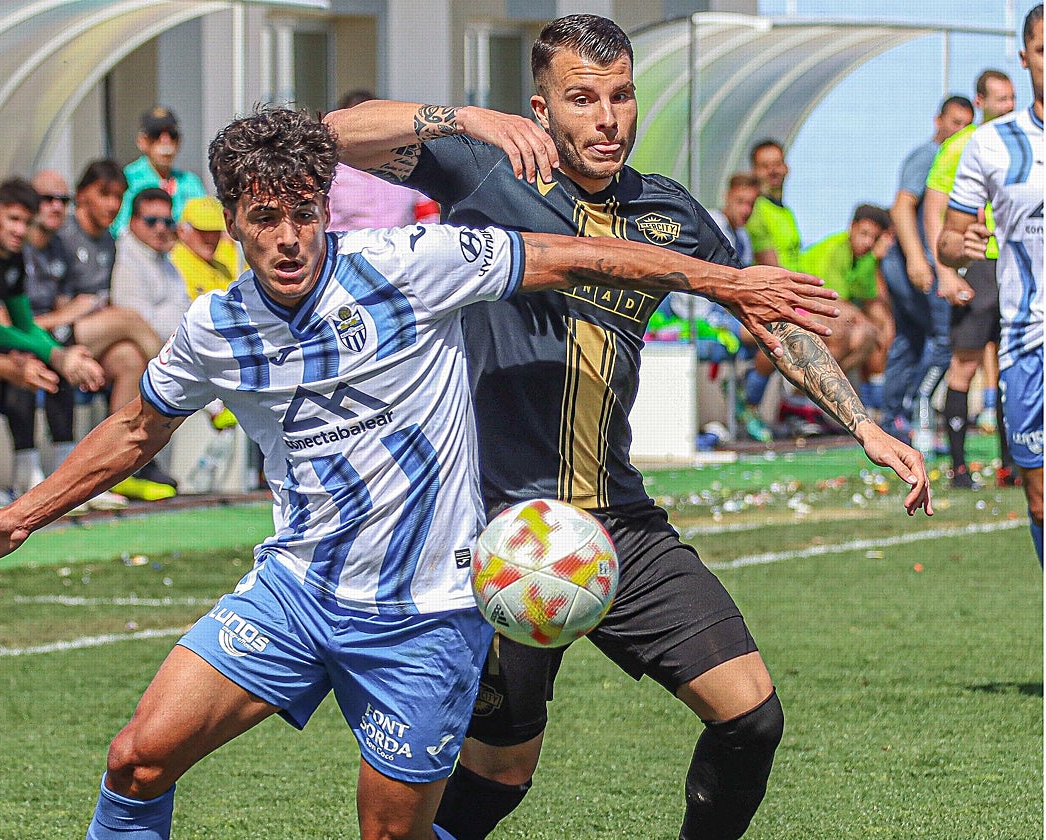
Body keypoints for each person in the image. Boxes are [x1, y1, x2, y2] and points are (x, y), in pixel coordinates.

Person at [0, 106, 846, 840]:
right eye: (264, 217)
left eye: (303, 212)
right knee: (136, 759)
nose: (288, 237)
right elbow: (134, 431)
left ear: (325, 206)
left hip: (424, 618)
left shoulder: (414, 264)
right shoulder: (216, 327)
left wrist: (725, 283)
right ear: (233, 222)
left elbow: (582, 255)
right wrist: (22, 516)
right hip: (294, 592)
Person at [325, 15, 932, 839]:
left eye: (620, 97)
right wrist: (460, 117)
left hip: (619, 525)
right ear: (541, 109)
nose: (607, 118)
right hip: (502, 532)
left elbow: (767, 317)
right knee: (503, 772)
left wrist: (863, 422)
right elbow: (329, 138)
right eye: (582, 99)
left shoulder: (666, 211)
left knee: (751, 716)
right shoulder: (486, 169)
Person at [939, 4, 1043, 560]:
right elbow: (948, 238)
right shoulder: (990, 144)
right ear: (1024, 57)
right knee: (1040, 499)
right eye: (1044, 50)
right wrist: (957, 250)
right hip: (1026, 337)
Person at [0, 178, 124, 510]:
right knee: (25, 365)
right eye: (12, 219)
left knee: (43, 362)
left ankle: (60, 473)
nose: (20, 230)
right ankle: (16, 475)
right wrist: (55, 354)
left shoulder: (11, 259)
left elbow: (22, 321)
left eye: (25, 221)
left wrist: (61, 355)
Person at [41, 160, 176, 500]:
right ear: (82, 194)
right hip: (54, 335)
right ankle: (185, 379)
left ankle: (116, 469)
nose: (112, 205)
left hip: (90, 334)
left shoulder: (108, 241)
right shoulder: (64, 235)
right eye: (104, 195)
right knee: (128, 319)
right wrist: (72, 309)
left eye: (118, 196)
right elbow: (50, 298)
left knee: (130, 359)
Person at [925, 69, 1019, 488]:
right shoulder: (961, 148)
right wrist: (945, 271)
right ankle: (959, 469)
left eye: (1011, 98)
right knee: (963, 366)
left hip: (1015, 267)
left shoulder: (1020, 143)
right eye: (1000, 99)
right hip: (976, 267)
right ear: (980, 102)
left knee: (1010, 367)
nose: (1008, 107)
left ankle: (1010, 466)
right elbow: (933, 212)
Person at [880, 94, 976, 444]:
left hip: (909, 262)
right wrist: (917, 258)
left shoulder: (953, 156)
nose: (959, 131)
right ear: (938, 121)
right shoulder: (929, 156)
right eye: (954, 122)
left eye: (966, 125)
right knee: (942, 339)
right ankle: (914, 407)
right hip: (913, 264)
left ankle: (893, 418)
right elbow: (901, 207)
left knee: (909, 340)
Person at [800, 204, 896, 422]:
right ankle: (803, 398)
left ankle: (822, 395)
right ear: (851, 227)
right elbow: (832, 301)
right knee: (848, 332)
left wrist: (886, 327)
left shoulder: (865, 259)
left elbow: (873, 302)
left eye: (873, 237)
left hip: (825, 311)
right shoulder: (835, 250)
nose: (867, 242)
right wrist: (869, 323)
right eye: (863, 234)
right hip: (800, 306)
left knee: (869, 337)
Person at [738, 139, 805, 439]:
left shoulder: (785, 212)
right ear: (755, 171)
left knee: (857, 331)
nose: (773, 171)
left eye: (777, 164)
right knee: (785, 333)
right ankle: (749, 396)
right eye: (766, 166)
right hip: (764, 297)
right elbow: (771, 269)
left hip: (791, 293)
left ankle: (797, 402)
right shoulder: (757, 210)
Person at [328, 90, 441, 232]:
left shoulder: (406, 163)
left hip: (400, 250)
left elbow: (428, 216)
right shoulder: (332, 171)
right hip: (348, 251)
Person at [111, 107, 206, 238]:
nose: (165, 141)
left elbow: (208, 224)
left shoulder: (191, 182)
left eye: (172, 135)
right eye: (156, 134)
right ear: (141, 141)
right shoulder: (127, 178)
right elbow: (118, 228)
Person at [110, 188, 190, 341]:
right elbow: (138, 323)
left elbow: (183, 304)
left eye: (167, 222)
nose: (160, 228)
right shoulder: (123, 257)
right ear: (132, 221)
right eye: (151, 221)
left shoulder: (162, 257)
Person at [170, 195, 237, 299]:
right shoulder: (173, 267)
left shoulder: (224, 263)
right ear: (182, 231)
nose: (210, 238)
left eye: (215, 231)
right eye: (202, 232)